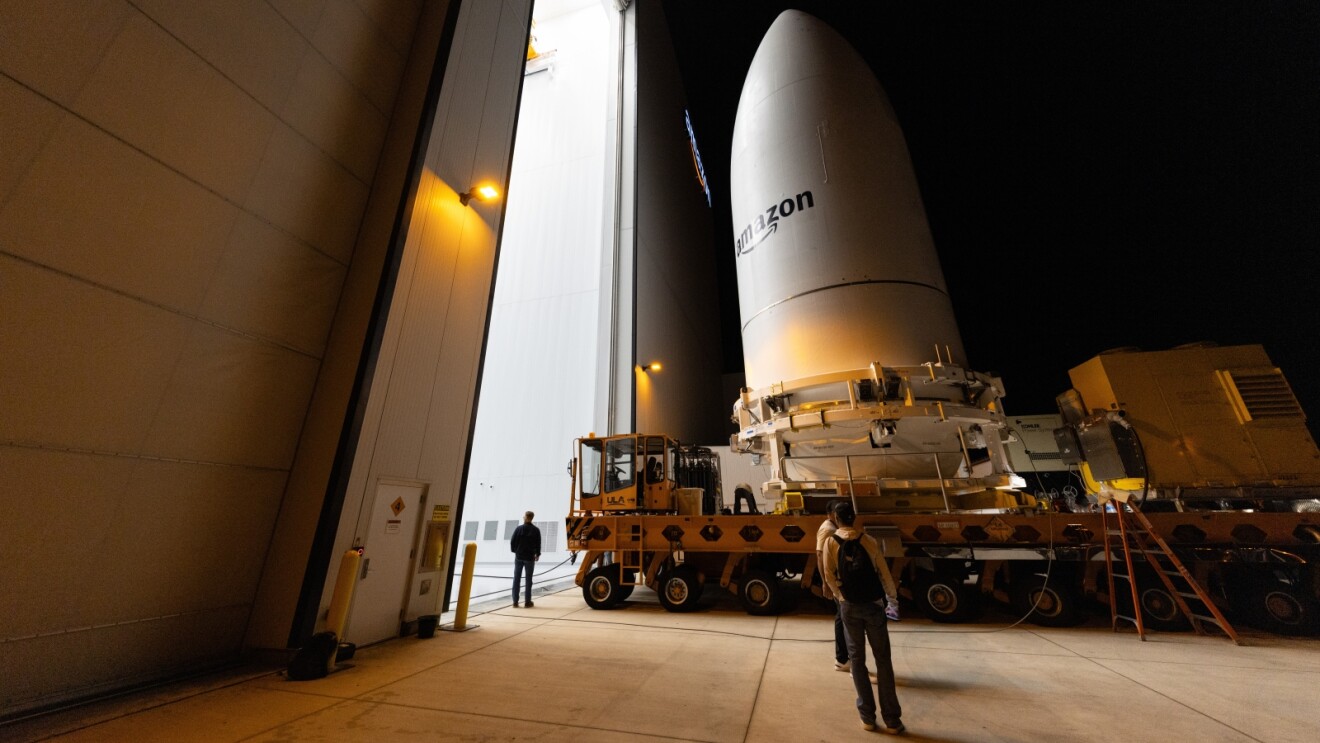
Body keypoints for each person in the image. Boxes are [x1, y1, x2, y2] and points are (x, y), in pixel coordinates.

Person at [822, 501, 904, 735]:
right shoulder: (868, 541)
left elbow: (829, 575)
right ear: (855, 517)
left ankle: (867, 716)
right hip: (873, 605)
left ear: (836, 519)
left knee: (857, 660)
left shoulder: (830, 542)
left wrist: (841, 597)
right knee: (883, 661)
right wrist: (892, 600)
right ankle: (892, 720)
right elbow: (883, 572)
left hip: (849, 607)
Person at [509, 511, 541, 607]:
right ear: (532, 518)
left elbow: (512, 541)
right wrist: (537, 554)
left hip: (519, 557)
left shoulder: (518, 529)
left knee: (516, 579)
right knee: (528, 580)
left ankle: (515, 602)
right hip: (530, 558)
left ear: (525, 517)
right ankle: (527, 602)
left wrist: (515, 551)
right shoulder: (536, 530)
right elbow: (538, 544)